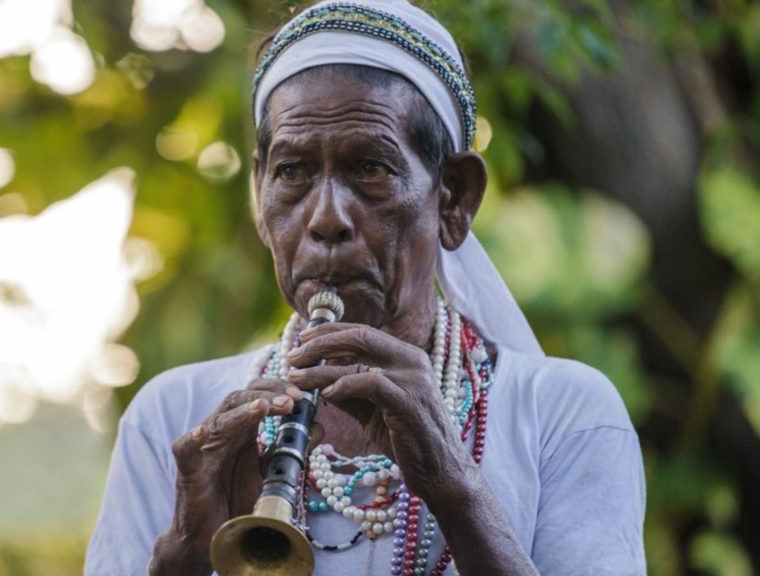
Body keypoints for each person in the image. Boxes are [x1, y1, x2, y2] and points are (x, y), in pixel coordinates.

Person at [85, 0, 646, 574]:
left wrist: (454, 487)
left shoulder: (565, 413)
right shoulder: (171, 417)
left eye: (371, 169)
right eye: (292, 172)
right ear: (259, 192)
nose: (326, 218)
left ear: (453, 197)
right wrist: (183, 549)